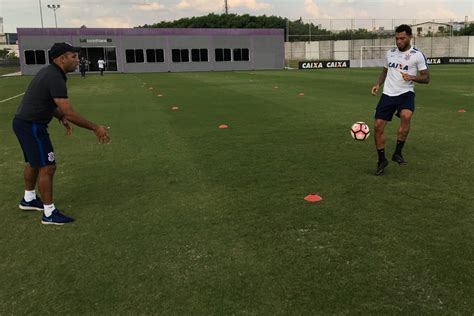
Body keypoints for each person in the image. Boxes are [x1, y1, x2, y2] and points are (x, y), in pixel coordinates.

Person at [12, 42, 111, 225]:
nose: (77, 60)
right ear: (61, 58)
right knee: (47, 167)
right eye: (73, 57)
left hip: (25, 123)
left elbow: (46, 103)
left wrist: (59, 117)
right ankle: (49, 213)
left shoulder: (51, 73)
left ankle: (28, 199)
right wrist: (95, 127)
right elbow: (69, 112)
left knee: (34, 162)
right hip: (32, 125)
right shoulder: (54, 76)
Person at [371, 24, 430, 176]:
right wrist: (378, 84)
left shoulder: (417, 55)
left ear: (410, 37)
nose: (399, 41)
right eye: (397, 38)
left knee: (406, 116)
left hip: (406, 94)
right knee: (377, 126)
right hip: (388, 94)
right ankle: (381, 160)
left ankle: (398, 152)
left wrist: (412, 77)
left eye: (402, 38)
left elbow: (426, 78)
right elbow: (385, 71)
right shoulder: (389, 53)